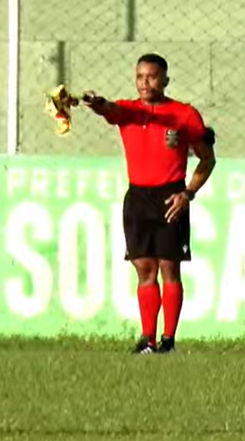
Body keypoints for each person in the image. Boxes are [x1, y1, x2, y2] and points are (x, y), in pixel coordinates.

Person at [84, 53, 216, 355]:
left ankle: (168, 341)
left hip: (170, 196)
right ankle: (148, 339)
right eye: (140, 77)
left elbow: (207, 159)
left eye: (152, 76)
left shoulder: (184, 114)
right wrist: (95, 102)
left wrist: (187, 193)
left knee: (169, 266)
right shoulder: (129, 111)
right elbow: (110, 109)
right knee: (144, 268)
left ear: (165, 80)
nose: (145, 82)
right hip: (138, 197)